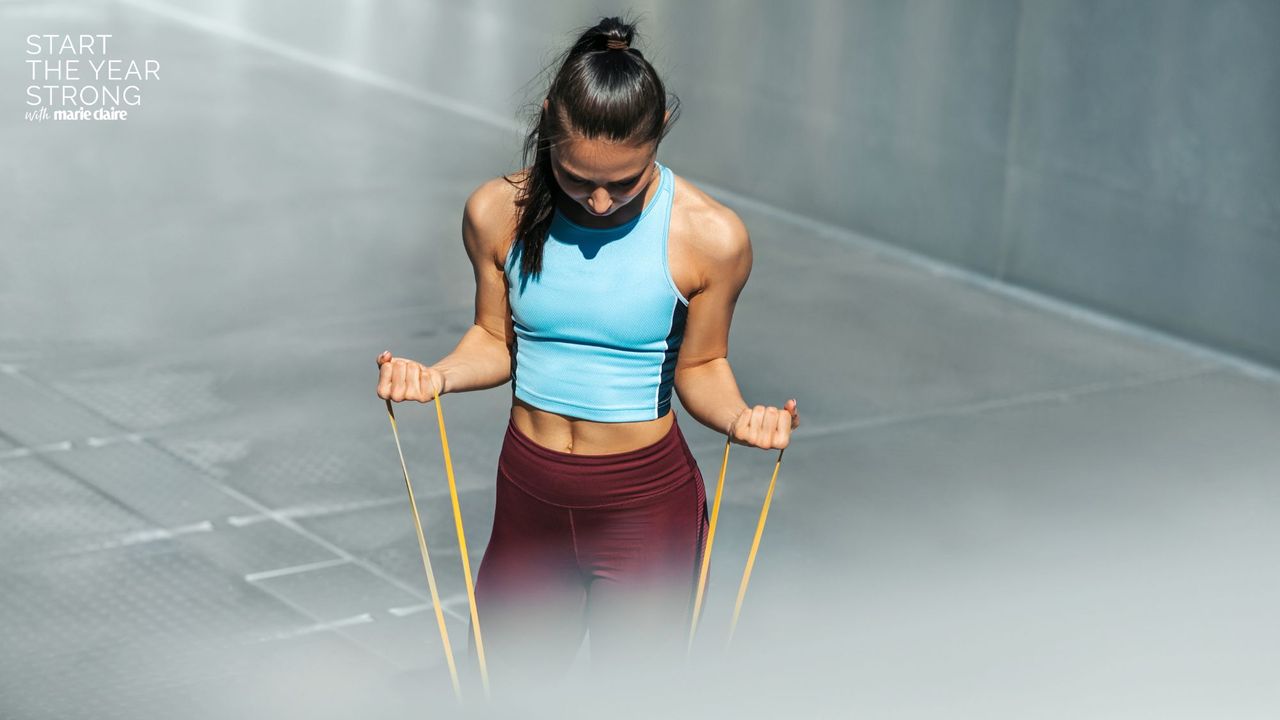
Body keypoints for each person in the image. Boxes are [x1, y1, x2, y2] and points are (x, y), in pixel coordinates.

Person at [374, 15, 799, 692]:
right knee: (504, 691)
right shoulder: (495, 212)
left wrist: (742, 417)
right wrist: (434, 376)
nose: (599, 202)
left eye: (624, 184)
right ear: (548, 127)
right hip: (529, 492)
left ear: (659, 127)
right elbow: (493, 340)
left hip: (644, 507)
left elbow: (700, 365)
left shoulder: (711, 236)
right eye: (576, 180)